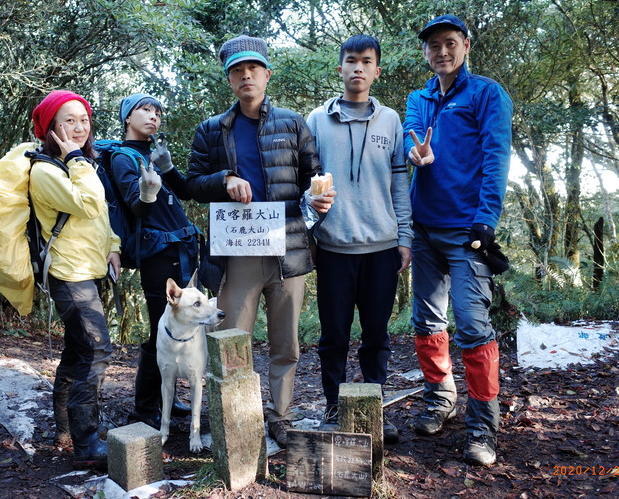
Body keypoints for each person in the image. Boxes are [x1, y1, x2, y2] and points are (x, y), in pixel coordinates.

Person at [187, 35, 335, 448]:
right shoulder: (211, 130)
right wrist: (224, 179)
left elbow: (314, 174)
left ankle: (281, 416)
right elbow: (193, 184)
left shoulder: (292, 123)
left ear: (267, 74)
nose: (246, 75)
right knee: (232, 338)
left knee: (286, 341)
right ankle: (234, 417)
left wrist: (321, 196)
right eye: (237, 70)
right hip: (237, 252)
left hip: (288, 248)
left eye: (253, 68)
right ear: (229, 80)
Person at [403, 15, 513, 466]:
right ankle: (440, 398)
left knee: (472, 326)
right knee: (427, 321)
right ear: (427, 53)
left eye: (450, 43)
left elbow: (496, 155)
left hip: (468, 233)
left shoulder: (487, 93)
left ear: (466, 45)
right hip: (423, 229)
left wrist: (487, 218)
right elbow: (412, 142)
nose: (442, 51)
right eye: (434, 46)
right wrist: (416, 154)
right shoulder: (419, 97)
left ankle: (483, 427)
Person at [306, 35, 412, 441]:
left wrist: (405, 237)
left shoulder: (391, 121)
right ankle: (334, 408)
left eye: (366, 62)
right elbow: (308, 182)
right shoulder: (317, 119)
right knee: (334, 335)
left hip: (382, 247)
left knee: (376, 336)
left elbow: (399, 185)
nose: (358, 68)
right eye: (351, 61)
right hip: (333, 247)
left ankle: (373, 411)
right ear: (340, 68)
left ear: (376, 71)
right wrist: (311, 234)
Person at [29, 90, 121, 470]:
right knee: (97, 349)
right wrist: (77, 159)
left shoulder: (77, 166)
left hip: (89, 268)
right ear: (50, 128)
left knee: (78, 350)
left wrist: (113, 246)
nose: (79, 127)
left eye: (83, 119)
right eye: (69, 120)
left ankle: (66, 429)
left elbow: (99, 218)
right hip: (69, 274)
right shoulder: (46, 170)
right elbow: (88, 203)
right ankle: (87, 443)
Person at [108, 94, 199, 429]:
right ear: (127, 117)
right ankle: (145, 406)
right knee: (161, 327)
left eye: (158, 112)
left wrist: (167, 168)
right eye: (144, 110)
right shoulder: (122, 157)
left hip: (180, 249)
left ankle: (167, 397)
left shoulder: (151, 154)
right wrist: (147, 191)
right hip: (158, 253)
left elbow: (185, 192)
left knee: (178, 328)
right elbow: (136, 206)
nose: (153, 116)